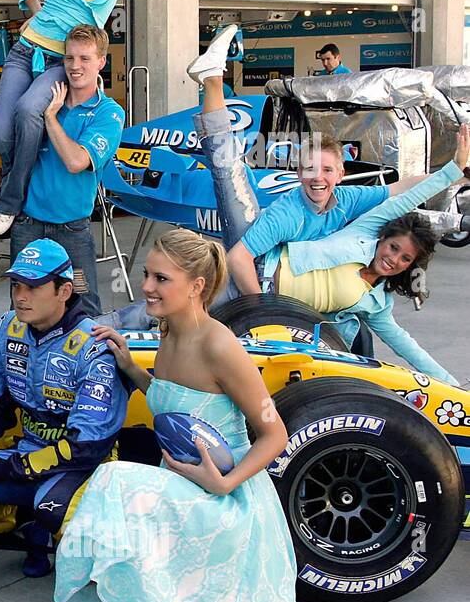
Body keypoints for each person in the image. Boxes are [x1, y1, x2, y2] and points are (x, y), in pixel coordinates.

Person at [103, 26, 470, 384]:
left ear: (341, 175)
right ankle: (212, 80)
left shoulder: (354, 213)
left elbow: (400, 190)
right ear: (297, 172)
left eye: (327, 170)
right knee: (229, 172)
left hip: (284, 298)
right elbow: (240, 258)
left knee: (359, 343)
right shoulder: (295, 212)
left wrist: (457, 173)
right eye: (310, 169)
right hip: (255, 260)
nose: (318, 178)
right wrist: (266, 312)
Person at [58, 229, 306, 602]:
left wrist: (225, 483)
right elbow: (178, 404)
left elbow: (275, 433)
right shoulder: (169, 328)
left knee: (114, 480)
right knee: (117, 484)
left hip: (226, 498)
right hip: (180, 480)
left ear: (196, 286)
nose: (147, 287)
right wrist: (132, 368)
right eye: (147, 274)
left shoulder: (220, 345)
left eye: (161, 278)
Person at [0, 239, 128, 577]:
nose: (21, 296)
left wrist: (3, 470)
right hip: (26, 454)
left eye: (33, 287)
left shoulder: (94, 347)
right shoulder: (9, 327)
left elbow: (87, 447)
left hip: (82, 468)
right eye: (16, 285)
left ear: (64, 291)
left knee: (55, 511)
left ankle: (50, 526)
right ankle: (23, 518)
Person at [0, 0, 153, 237]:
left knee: (30, 109)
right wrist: (35, 11)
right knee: (1, 133)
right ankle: (22, 184)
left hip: (63, 59)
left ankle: (11, 198)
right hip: (25, 50)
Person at [9, 24, 125, 314]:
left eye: (85, 58)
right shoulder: (41, 101)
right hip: (28, 224)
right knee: (23, 309)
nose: (75, 66)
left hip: (73, 229)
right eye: (69, 58)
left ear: (101, 62)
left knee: (84, 311)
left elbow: (76, 162)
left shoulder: (108, 113)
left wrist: (50, 118)